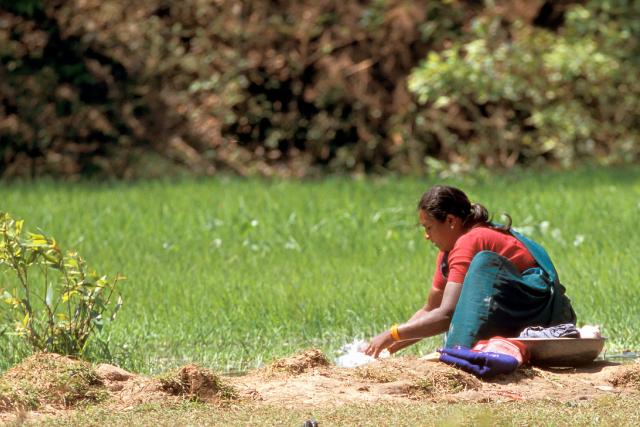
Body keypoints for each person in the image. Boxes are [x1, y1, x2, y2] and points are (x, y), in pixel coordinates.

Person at [365, 185, 576, 358]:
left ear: (450, 221)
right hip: (514, 311)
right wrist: (386, 348)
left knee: (482, 266)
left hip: (541, 313)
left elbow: (445, 315)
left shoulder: (471, 240)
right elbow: (431, 309)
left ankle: (460, 354)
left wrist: (392, 334)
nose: (426, 236)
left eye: (428, 227)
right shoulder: (451, 251)